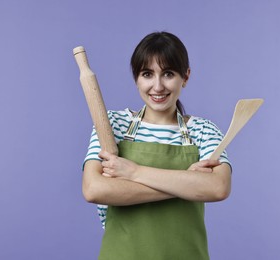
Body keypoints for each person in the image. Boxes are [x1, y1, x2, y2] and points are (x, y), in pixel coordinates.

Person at [82, 31, 232, 260]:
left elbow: (218, 187)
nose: (158, 86)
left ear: (186, 76)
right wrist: (185, 184)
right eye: (147, 74)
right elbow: (94, 189)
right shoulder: (113, 125)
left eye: (168, 73)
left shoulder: (203, 130)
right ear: (136, 78)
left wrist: (135, 172)